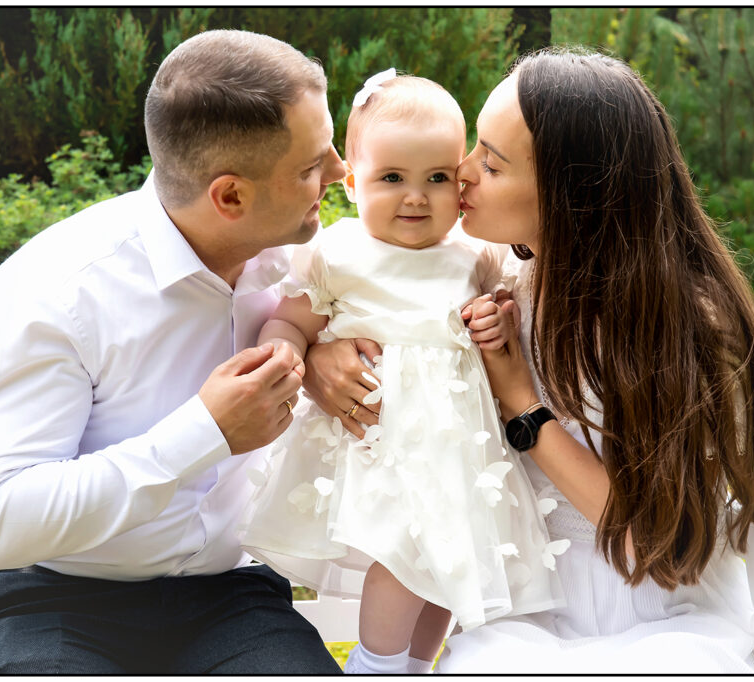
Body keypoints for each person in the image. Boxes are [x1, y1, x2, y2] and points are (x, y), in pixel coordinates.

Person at [308, 48, 754, 674]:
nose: (461, 172)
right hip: (524, 606)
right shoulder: (498, 282)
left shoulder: (682, 324)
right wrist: (319, 356)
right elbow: (368, 297)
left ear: (570, 193)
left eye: (490, 163)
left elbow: (658, 546)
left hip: (664, 613)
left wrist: (523, 405)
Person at [0, 30, 349, 674]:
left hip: (230, 595)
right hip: (48, 599)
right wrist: (205, 432)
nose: (340, 172)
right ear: (230, 196)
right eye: (311, 167)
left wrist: (317, 346)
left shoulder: (311, 263)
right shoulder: (53, 294)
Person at [238, 71, 567, 675]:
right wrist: (285, 352)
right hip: (382, 441)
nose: (416, 197)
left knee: (448, 564)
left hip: (457, 448)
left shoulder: (475, 254)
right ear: (352, 184)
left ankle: (416, 663)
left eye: (437, 178)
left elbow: (501, 315)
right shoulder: (339, 253)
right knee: (403, 551)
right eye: (392, 178)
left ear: (459, 183)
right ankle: (376, 662)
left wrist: (494, 320)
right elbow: (291, 320)